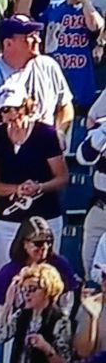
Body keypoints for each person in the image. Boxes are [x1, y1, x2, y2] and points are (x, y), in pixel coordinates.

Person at [0, 85, 69, 270]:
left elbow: (62, 177)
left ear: (26, 106)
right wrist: (16, 189)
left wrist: (39, 187)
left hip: (46, 216)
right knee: (6, 272)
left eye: (16, 108)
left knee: (47, 272)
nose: (12, 114)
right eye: (6, 109)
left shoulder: (46, 134)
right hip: (7, 220)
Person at [0, 15, 74, 133]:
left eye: (37, 35)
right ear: (8, 44)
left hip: (43, 146)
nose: (38, 40)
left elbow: (65, 106)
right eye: (30, 36)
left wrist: (59, 133)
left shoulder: (49, 67)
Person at [43, 0, 102, 110]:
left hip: (82, 87)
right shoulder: (53, 10)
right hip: (57, 81)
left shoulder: (92, 12)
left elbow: (95, 26)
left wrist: (85, 2)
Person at [0, 217, 80, 313]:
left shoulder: (60, 265)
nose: (45, 247)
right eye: (38, 243)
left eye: (48, 242)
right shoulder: (9, 272)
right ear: (24, 243)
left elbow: (72, 295)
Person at [0, 263, 73, 363]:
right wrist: (8, 304)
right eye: (23, 289)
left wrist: (47, 349)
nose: (26, 294)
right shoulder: (21, 315)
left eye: (32, 289)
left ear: (47, 291)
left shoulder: (60, 321)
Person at [77, 118, 106, 277]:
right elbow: (84, 157)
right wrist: (104, 131)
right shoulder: (102, 126)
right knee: (92, 274)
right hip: (100, 210)